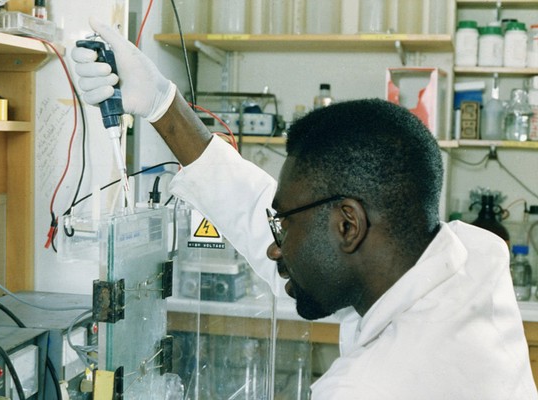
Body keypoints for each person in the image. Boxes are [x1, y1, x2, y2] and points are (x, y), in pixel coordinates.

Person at [72, 19, 538, 399]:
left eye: (283, 226)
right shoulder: (473, 255)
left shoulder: (367, 388)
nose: (275, 250)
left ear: (349, 225)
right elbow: (276, 218)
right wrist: (160, 102)